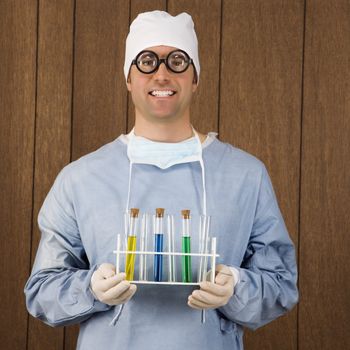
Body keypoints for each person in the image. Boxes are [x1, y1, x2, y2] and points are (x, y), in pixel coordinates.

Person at [25, 11, 298, 350]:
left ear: (195, 77)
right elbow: (41, 291)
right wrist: (91, 288)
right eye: (147, 61)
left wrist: (237, 286)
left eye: (178, 61)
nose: (162, 74)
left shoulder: (245, 176)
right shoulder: (81, 179)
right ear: (128, 77)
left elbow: (282, 284)